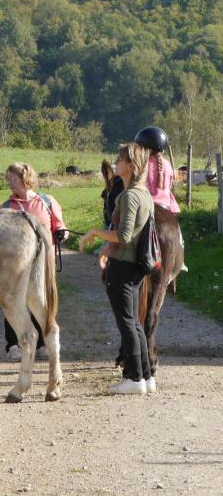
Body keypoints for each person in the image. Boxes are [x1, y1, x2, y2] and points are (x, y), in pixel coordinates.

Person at [79, 142, 155, 395]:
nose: (115, 163)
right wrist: (104, 249)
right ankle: (146, 376)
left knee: (126, 322)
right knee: (134, 322)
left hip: (122, 266)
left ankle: (134, 378)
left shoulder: (129, 196)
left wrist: (94, 233)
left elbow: (123, 235)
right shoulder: (144, 194)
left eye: (120, 159)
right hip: (134, 266)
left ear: (131, 166)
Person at [0, 163, 67, 362]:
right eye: (8, 179)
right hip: (15, 265)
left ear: (26, 179)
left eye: (14, 178)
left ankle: (42, 344)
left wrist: (62, 233)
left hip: (44, 261)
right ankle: (13, 345)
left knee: (41, 301)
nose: (10, 183)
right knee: (14, 302)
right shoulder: (6, 207)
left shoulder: (47, 202)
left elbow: (60, 226)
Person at [134, 126, 181, 215]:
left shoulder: (141, 164)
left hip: (146, 205)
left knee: (121, 221)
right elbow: (169, 185)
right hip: (166, 206)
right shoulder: (167, 164)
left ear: (144, 148)